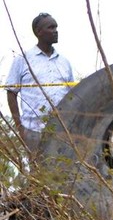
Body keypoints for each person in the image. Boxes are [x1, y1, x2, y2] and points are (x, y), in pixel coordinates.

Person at [4, 12, 74, 154]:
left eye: (56, 27)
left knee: (63, 173)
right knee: (39, 173)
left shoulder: (64, 62)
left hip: (63, 130)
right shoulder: (23, 59)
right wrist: (20, 128)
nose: (55, 31)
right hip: (33, 131)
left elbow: (71, 95)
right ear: (39, 32)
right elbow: (11, 92)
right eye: (51, 27)